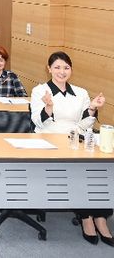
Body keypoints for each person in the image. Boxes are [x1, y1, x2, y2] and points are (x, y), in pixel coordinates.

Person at [29, 51, 111, 246]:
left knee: (102, 168)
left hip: (75, 141)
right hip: (49, 142)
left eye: (66, 67)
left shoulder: (80, 93)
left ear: (71, 70)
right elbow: (38, 123)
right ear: (49, 69)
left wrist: (92, 108)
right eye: (57, 67)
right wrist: (49, 107)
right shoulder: (40, 91)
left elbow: (84, 125)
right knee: (81, 170)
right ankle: (86, 217)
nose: (62, 71)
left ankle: (100, 217)